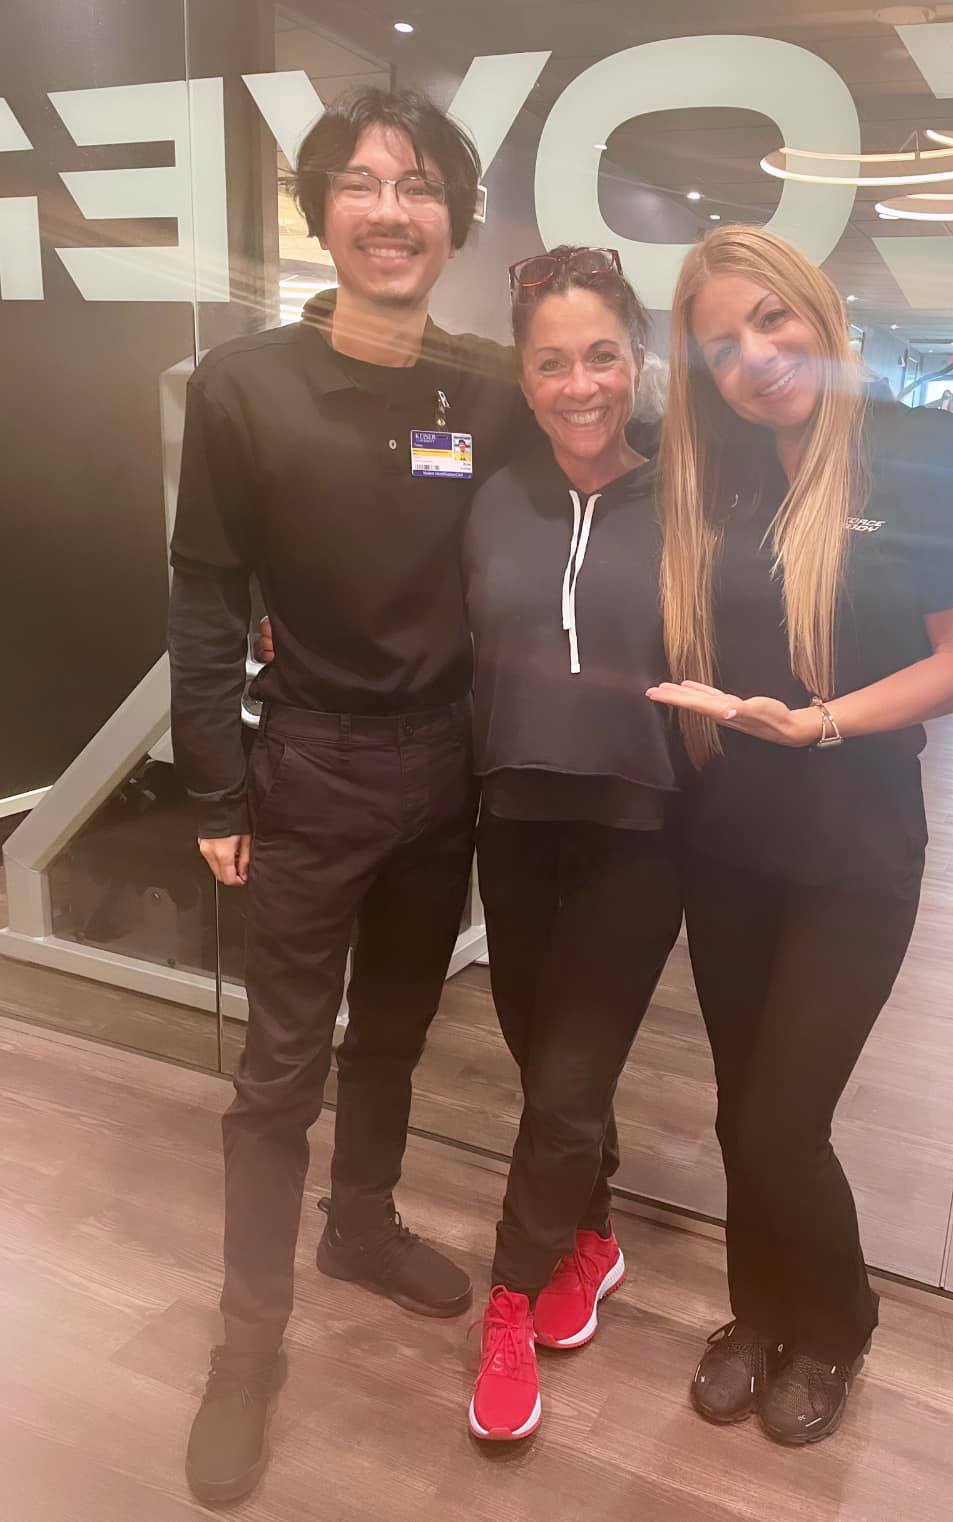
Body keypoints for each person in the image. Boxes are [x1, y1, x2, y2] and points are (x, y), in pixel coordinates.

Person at [168, 86, 530, 1505]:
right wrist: (214, 783)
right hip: (307, 764)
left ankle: (361, 1223)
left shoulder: (487, 390)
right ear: (319, 212)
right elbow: (207, 593)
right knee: (277, 1076)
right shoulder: (245, 385)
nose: (391, 210)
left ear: (456, 219)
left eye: (420, 185)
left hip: (445, 768)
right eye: (363, 184)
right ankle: (243, 1345)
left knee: (394, 1029)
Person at [647, 226, 953, 1445]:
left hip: (856, 847)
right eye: (721, 346)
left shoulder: (925, 450)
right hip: (728, 844)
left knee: (781, 1120)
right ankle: (758, 1315)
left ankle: (839, 1322)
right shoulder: (723, 475)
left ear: (818, 309)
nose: (756, 357)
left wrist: (821, 722)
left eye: (772, 319)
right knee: (737, 1106)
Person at [461, 248, 681, 1442]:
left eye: (602, 355)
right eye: (553, 362)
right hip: (514, 819)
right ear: (524, 375)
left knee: (565, 1081)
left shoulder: (691, 500)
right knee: (545, 1061)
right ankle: (592, 1235)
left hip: (638, 829)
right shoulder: (492, 496)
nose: (580, 383)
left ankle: (508, 1299)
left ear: (635, 361)